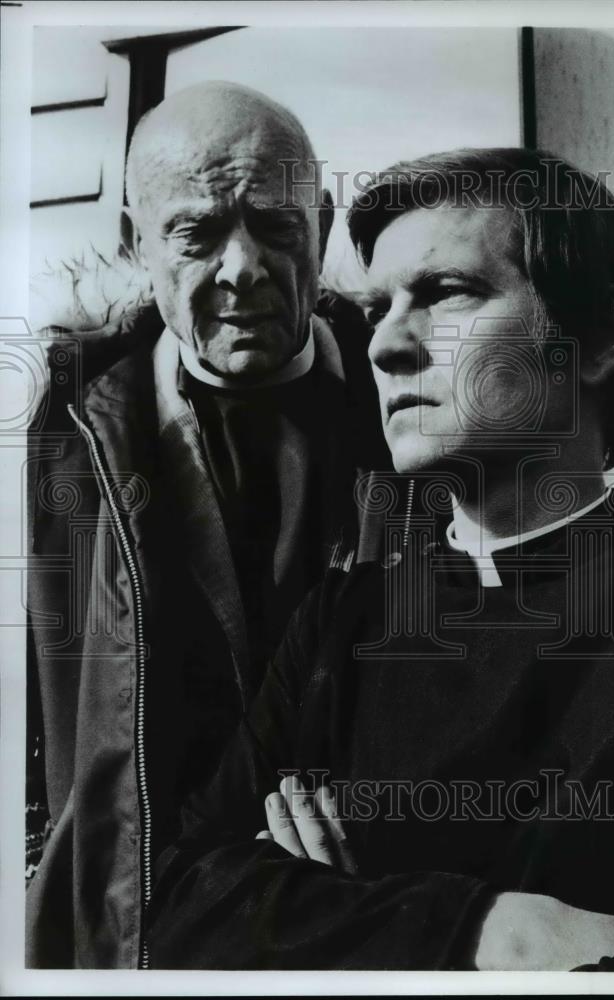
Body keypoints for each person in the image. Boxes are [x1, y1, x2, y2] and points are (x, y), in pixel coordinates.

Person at [146, 149, 614, 971]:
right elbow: (184, 902)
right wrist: (499, 930)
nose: (383, 345)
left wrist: (325, 910)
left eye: (444, 293)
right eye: (376, 307)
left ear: (599, 335)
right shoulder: (344, 620)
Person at [25, 81, 386, 968]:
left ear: (325, 221)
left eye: (274, 225)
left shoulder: (409, 407)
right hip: (137, 927)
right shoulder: (58, 433)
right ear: (136, 239)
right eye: (196, 233)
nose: (242, 270)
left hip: (374, 909)